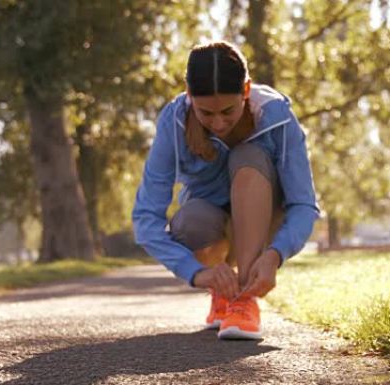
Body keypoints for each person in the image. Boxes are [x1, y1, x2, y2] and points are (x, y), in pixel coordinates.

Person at [132, 40, 319, 340]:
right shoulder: (173, 121)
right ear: (190, 94)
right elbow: (145, 218)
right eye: (206, 113)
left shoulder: (278, 117)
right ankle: (223, 293)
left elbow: (304, 204)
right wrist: (196, 272)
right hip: (210, 226)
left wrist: (275, 255)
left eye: (228, 111)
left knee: (248, 156)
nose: (218, 123)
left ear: (246, 90)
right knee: (189, 219)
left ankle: (244, 300)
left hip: (267, 221)